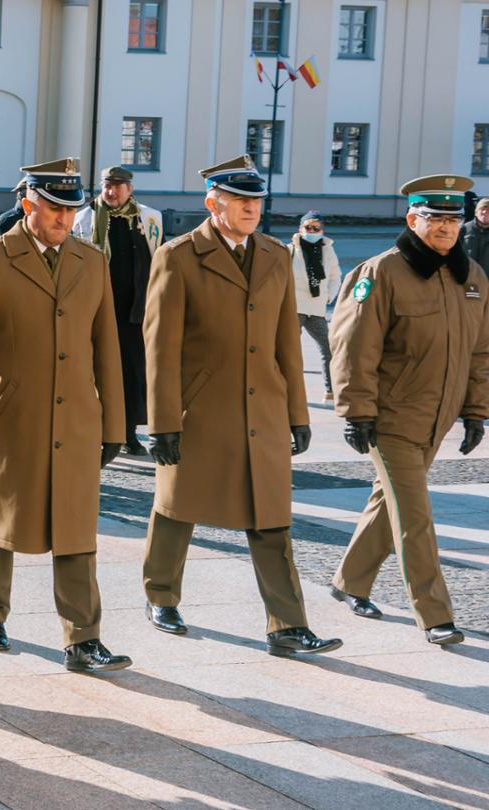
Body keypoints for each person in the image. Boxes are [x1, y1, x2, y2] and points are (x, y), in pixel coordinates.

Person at [141, 156, 342, 656]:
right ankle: (160, 595)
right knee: (177, 504)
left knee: (271, 516)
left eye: (257, 200)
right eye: (242, 200)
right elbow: (160, 347)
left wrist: (297, 412)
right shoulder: (178, 256)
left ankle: (288, 625)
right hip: (201, 405)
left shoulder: (276, 254)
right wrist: (163, 422)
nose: (253, 207)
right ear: (214, 203)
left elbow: (286, 345)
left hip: (265, 407)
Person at [0, 158, 131, 672]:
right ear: (28, 203)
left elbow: (107, 349)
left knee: (76, 530)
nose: (64, 219)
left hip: (76, 418)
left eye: (72, 209)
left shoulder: (91, 261)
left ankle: (83, 637)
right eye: (54, 208)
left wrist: (114, 424)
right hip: (10, 416)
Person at [328, 174, 488, 646]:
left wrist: (476, 410)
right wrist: (356, 411)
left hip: (437, 418)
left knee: (389, 502)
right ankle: (434, 613)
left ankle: (349, 582)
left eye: (452, 219)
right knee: (415, 514)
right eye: (434, 218)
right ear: (411, 219)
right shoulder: (380, 272)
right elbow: (353, 347)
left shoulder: (472, 278)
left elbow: (481, 352)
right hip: (391, 417)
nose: (445, 228)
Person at [72, 165, 163, 454]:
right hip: (99, 308)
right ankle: (101, 429)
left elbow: (157, 259)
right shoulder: (84, 219)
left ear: (130, 189)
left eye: (118, 186)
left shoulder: (148, 218)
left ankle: (128, 432)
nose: (111, 192)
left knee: (133, 374)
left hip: (135, 311)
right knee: (99, 371)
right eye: (107, 186)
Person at [290, 212, 342, 402]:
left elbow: (336, 276)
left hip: (318, 309)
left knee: (328, 349)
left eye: (316, 228)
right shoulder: (290, 250)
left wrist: (329, 297)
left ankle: (330, 390)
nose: (312, 231)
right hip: (295, 309)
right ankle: (290, 391)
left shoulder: (328, 250)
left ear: (322, 230)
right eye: (308, 228)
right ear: (300, 229)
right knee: (290, 352)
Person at [462, 197, 489, 273]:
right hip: (467, 279)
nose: (485, 212)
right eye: (482, 209)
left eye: (488, 210)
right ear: (476, 212)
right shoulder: (464, 229)